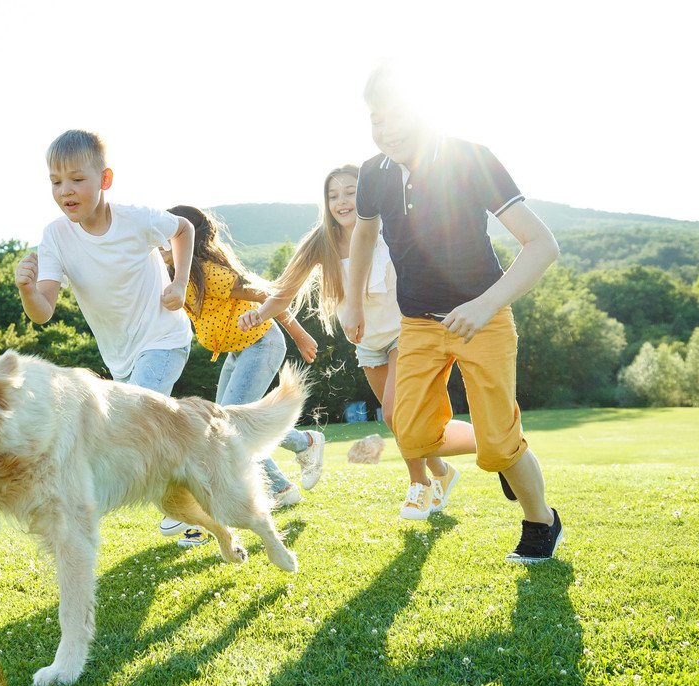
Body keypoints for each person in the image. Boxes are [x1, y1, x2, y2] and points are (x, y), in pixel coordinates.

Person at [343, 65, 564, 563]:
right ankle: (504, 452)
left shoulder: (470, 158)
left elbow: (542, 245)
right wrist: (353, 300)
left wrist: (485, 304)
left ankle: (540, 521)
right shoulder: (374, 173)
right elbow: (362, 234)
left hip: (483, 321)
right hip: (418, 324)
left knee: (499, 445)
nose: (386, 129)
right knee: (412, 433)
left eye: (397, 116)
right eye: (377, 119)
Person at [241, 166, 476, 521]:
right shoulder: (320, 243)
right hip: (367, 342)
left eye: (350, 192)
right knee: (399, 422)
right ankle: (443, 471)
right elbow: (283, 292)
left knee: (398, 413)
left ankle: (420, 485)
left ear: (366, 194)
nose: (342, 202)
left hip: (407, 331)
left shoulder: (390, 230)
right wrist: (258, 315)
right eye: (333, 195)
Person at [15, 129, 197, 540]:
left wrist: (180, 283)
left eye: (77, 179)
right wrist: (27, 290)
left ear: (105, 180)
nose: (66, 191)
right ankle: (261, 469)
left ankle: (183, 513)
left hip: (164, 338)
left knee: (140, 423)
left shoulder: (136, 219)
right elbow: (43, 312)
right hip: (120, 357)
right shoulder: (55, 237)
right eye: (55, 181)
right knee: (136, 430)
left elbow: (183, 228)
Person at [162, 205, 325, 547]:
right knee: (224, 429)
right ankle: (284, 481)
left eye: (166, 235)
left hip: (261, 344)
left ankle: (216, 518)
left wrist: (299, 335)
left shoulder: (210, 272)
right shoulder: (175, 274)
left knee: (225, 431)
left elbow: (268, 296)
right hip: (237, 352)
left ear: (185, 239)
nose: (159, 244)